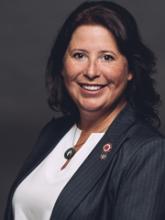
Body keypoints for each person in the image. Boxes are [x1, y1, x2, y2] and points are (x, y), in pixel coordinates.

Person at [5, 1, 165, 220]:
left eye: (107, 57)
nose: (91, 71)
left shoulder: (146, 152)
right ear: (62, 65)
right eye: (79, 55)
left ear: (131, 70)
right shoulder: (53, 133)